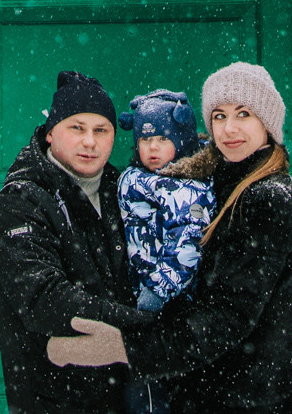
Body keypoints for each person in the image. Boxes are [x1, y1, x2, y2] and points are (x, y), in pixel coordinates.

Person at [46, 62, 292, 414]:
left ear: (268, 122)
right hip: (211, 391)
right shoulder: (212, 181)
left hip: (255, 397)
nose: (229, 128)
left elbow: (228, 317)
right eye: (218, 115)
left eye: (244, 114)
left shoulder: (268, 198)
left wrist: (125, 347)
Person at [0, 71, 148, 413]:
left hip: (127, 397)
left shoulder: (125, 191)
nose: (89, 141)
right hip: (56, 400)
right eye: (77, 127)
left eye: (101, 130)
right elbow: (47, 301)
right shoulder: (22, 201)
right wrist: (149, 329)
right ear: (50, 134)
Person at [117, 90, 211, 414]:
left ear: (182, 139)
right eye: (144, 140)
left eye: (161, 138)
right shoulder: (136, 178)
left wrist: (157, 290)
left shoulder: (189, 189)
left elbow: (188, 244)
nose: (151, 147)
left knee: (157, 389)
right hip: (139, 306)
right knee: (140, 391)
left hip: (169, 306)